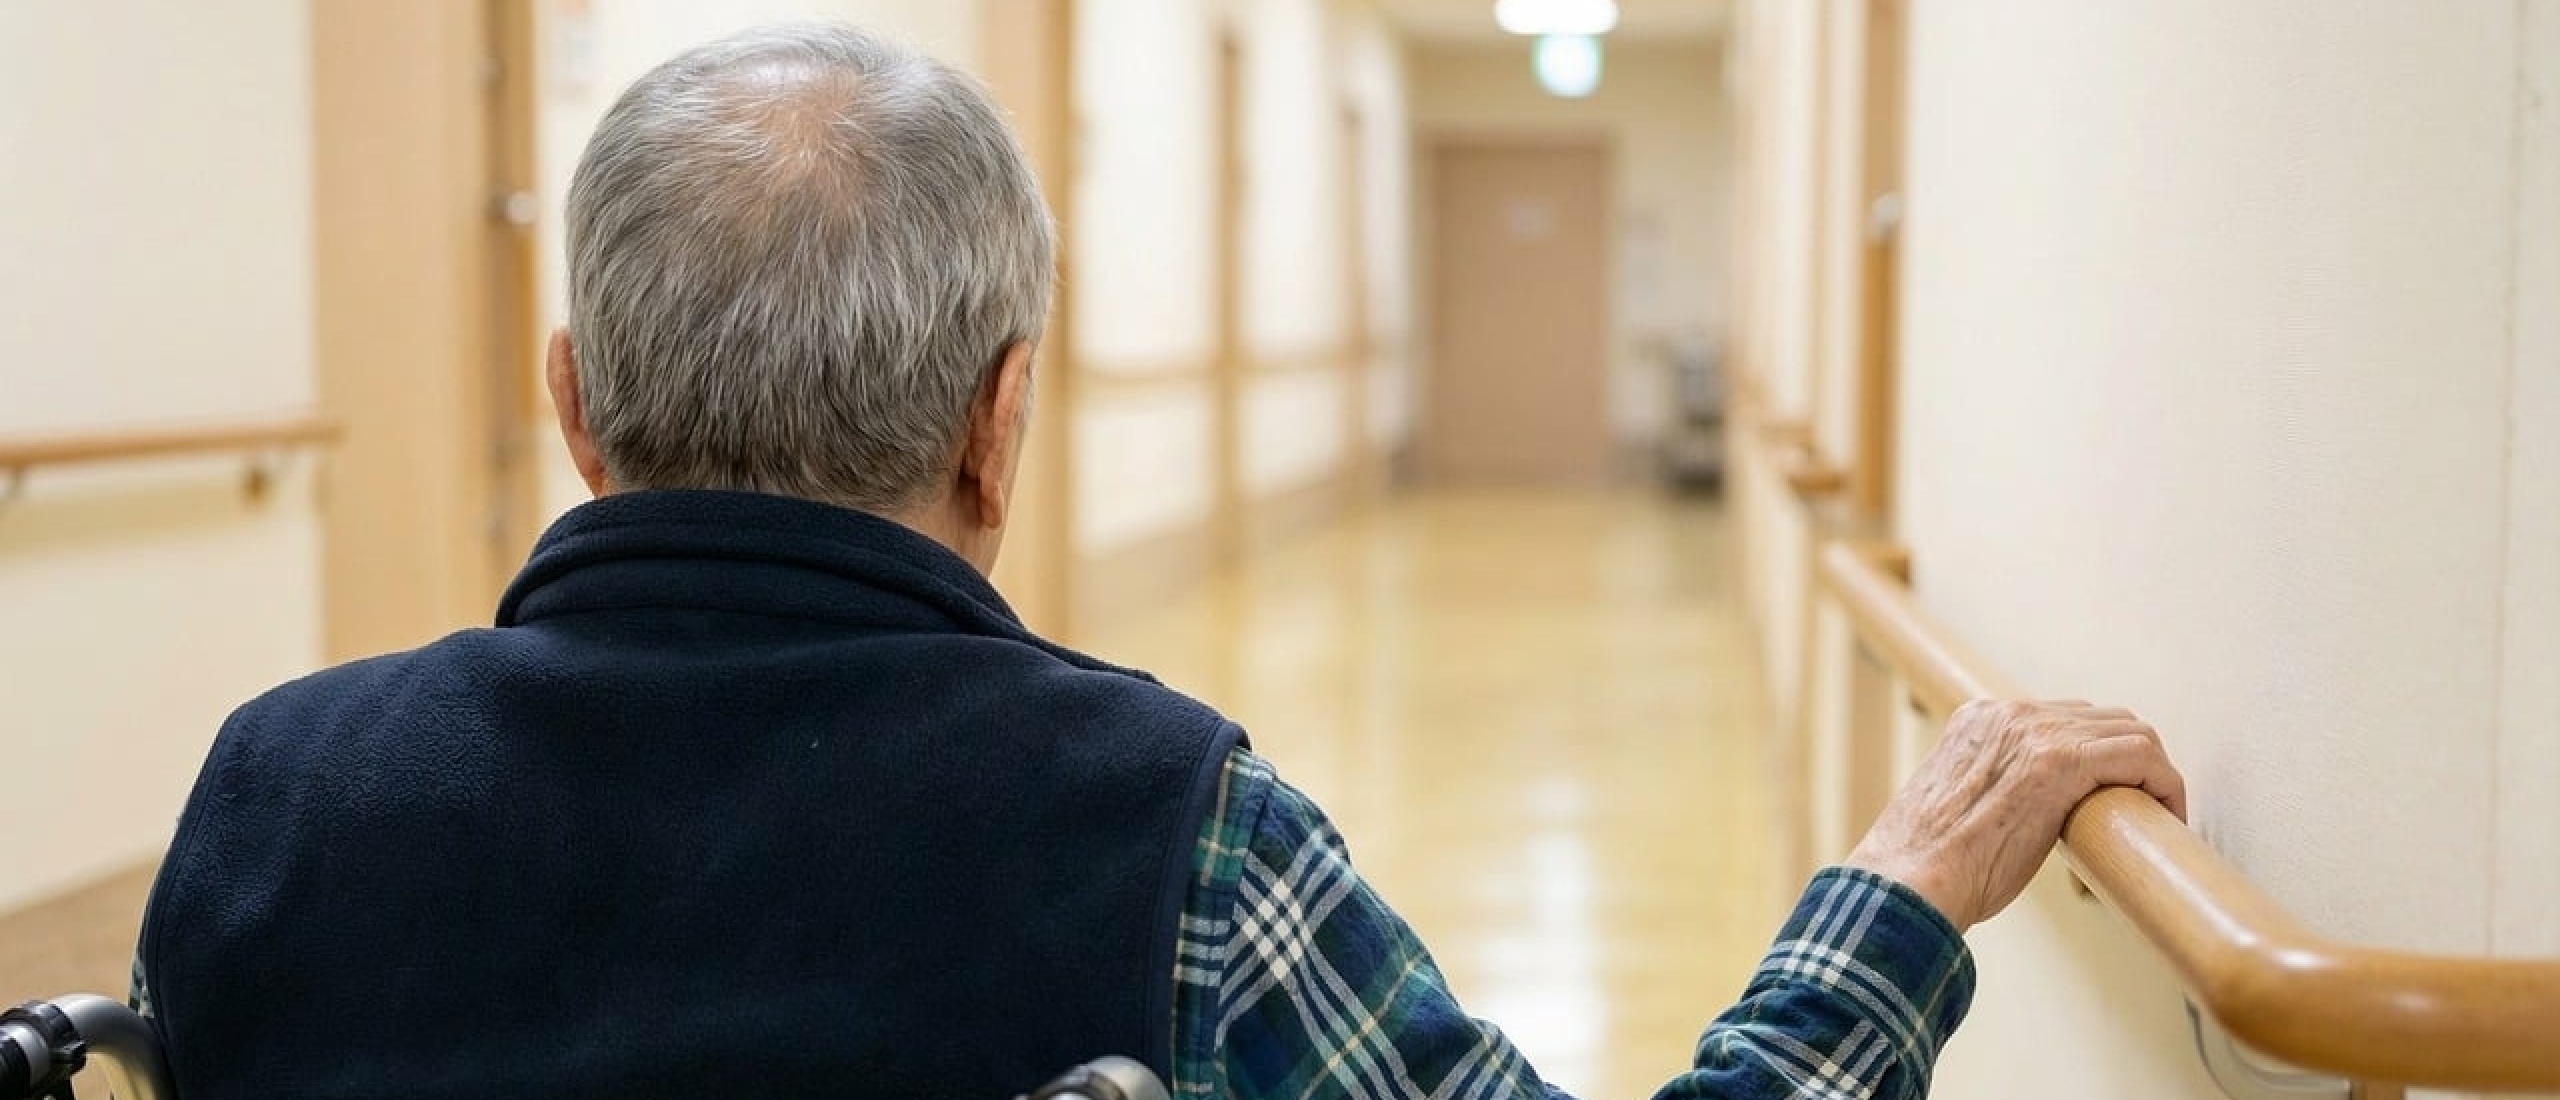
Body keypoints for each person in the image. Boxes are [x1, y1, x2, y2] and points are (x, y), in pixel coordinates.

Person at [133, 23, 2187, 1100]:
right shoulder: (1166, 830)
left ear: (575, 405)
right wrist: (1902, 889)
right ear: (999, 422)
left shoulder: (278, 785)